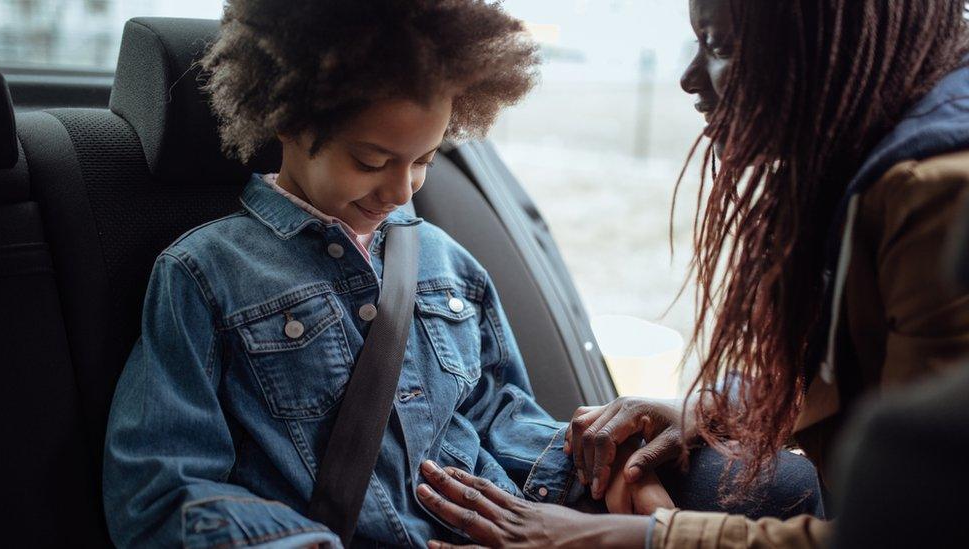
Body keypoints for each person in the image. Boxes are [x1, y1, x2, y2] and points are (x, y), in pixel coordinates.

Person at [101, 1, 677, 547]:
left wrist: (602, 473)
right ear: (287, 121)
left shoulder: (448, 264)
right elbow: (163, 490)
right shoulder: (204, 277)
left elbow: (496, 415)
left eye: (424, 160)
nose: (402, 191)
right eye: (372, 162)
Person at [417, 0, 969, 547]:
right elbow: (862, 371)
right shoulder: (875, 162)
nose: (687, 78)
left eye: (721, 46)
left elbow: (921, 529)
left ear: (832, 49)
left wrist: (632, 537)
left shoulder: (937, 194)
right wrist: (709, 408)